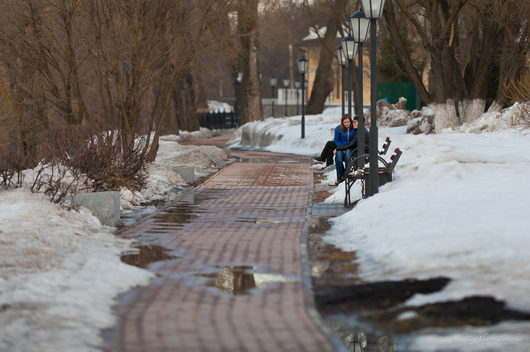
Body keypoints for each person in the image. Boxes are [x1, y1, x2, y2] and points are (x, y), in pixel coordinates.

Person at [332, 114, 356, 185]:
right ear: (342, 122)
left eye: (348, 122)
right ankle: (339, 176)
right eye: (345, 122)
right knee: (338, 156)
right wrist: (342, 148)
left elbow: (354, 140)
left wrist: (347, 147)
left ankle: (346, 173)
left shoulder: (353, 129)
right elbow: (336, 140)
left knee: (348, 154)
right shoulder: (338, 128)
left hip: (350, 147)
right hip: (341, 147)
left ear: (350, 122)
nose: (346, 124)